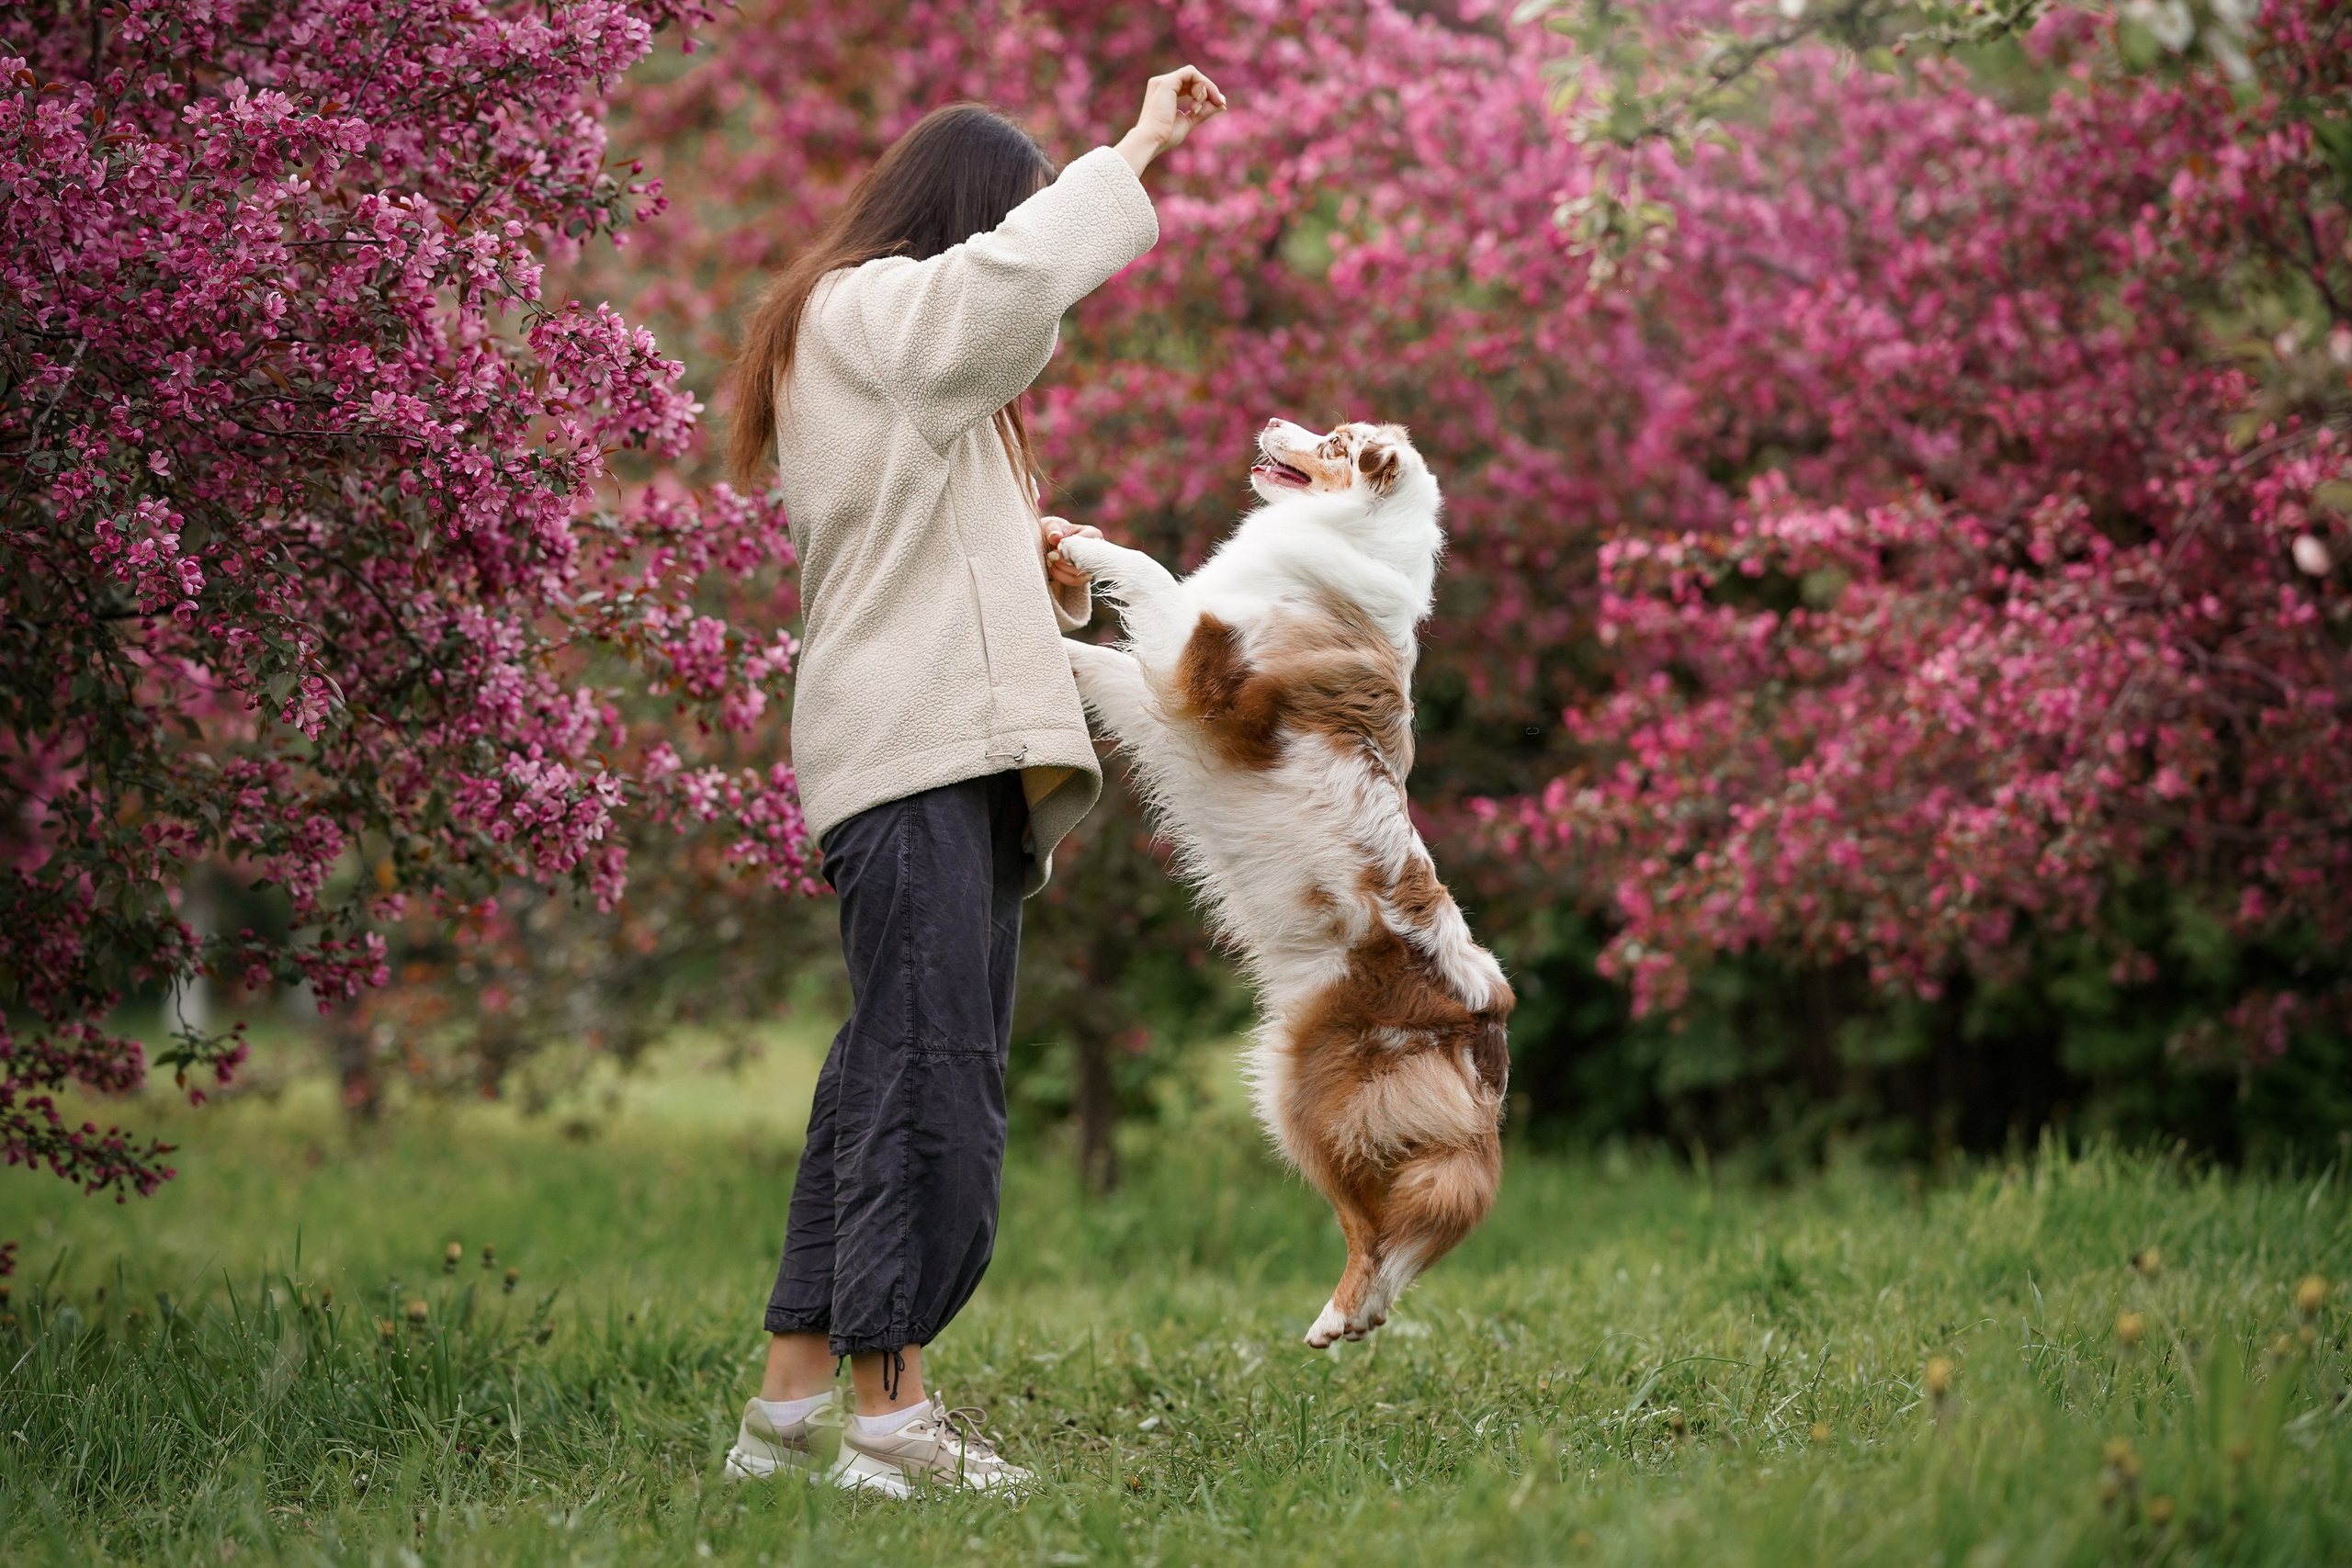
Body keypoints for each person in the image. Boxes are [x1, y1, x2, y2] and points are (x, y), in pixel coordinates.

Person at [717, 67, 1229, 1495]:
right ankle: (894, 1424)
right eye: (1000, 227)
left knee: (877, 1074)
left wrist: (1036, 565)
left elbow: (924, 564)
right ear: (964, 218)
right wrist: (1133, 149)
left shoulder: (861, 340)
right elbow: (1006, 290)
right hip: (917, 765)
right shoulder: (871, 311)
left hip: (917, 759)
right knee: (932, 1082)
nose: (1022, 295)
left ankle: (785, 1419)